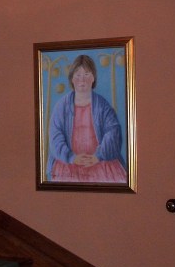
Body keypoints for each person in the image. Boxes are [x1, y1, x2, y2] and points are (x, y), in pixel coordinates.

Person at [47, 54, 127, 183]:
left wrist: (98, 156)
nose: (82, 80)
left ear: (93, 78)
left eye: (86, 74)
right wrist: (71, 157)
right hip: (68, 165)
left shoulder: (102, 106)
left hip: (100, 163)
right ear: (72, 79)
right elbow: (55, 136)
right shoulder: (61, 107)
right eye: (78, 75)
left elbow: (113, 132)